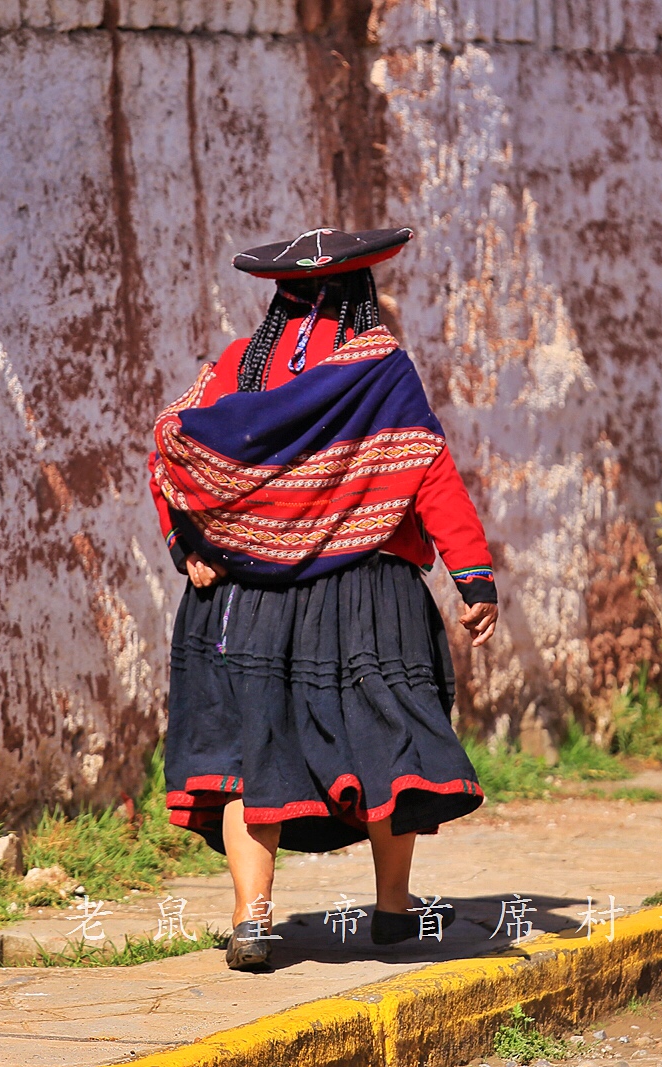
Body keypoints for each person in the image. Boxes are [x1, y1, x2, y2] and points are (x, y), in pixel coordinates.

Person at [148, 226, 500, 971]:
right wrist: (472, 576)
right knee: (385, 745)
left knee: (251, 750)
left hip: (249, 598)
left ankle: (252, 916)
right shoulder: (380, 369)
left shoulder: (239, 365)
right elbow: (428, 467)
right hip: (364, 596)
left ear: (282, 297)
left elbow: (172, 445)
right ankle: (395, 908)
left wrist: (189, 544)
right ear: (360, 297)